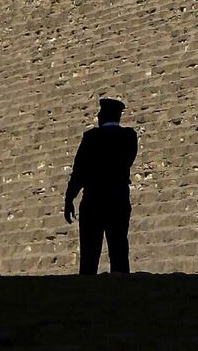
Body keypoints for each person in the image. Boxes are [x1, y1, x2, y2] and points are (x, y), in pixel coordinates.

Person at [64, 97, 138, 275]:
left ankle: (88, 288)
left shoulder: (91, 138)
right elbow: (127, 161)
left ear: (102, 116)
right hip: (118, 200)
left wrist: (69, 198)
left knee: (89, 254)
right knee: (119, 250)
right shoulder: (129, 137)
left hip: (93, 201)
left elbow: (79, 171)